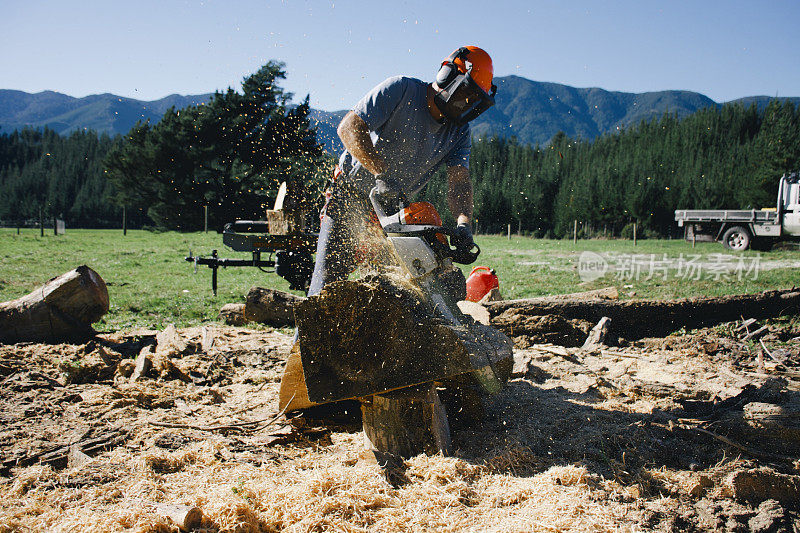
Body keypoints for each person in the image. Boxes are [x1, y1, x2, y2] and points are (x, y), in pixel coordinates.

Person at [308, 45, 497, 297]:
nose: (466, 104)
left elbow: (459, 182)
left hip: (395, 208)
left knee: (400, 287)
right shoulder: (401, 90)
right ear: (447, 75)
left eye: (474, 101)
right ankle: (307, 336)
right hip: (350, 193)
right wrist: (381, 173)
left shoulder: (459, 131)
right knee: (327, 279)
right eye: (466, 93)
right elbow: (349, 128)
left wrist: (463, 225)